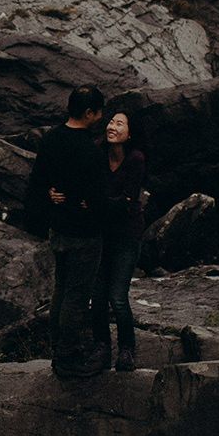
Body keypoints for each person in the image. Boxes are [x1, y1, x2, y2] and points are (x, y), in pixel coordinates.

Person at [23, 84, 108, 378]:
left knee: (60, 290)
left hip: (57, 228)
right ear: (89, 112)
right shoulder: (91, 151)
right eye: (99, 112)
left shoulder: (50, 139)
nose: (101, 117)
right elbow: (97, 200)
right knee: (75, 296)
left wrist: (51, 194)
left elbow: (37, 182)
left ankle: (57, 348)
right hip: (84, 234)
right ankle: (68, 357)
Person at [89, 110, 150, 371]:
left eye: (120, 124)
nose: (112, 127)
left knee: (118, 296)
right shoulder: (97, 151)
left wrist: (95, 204)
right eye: (111, 122)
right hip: (102, 234)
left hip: (127, 235)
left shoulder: (136, 159)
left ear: (130, 133)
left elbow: (126, 201)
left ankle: (127, 348)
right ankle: (101, 346)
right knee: (98, 296)